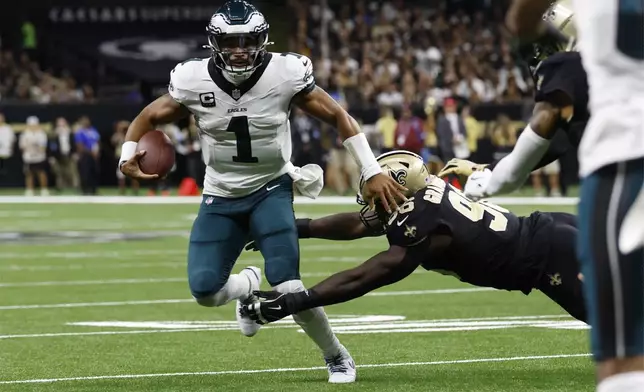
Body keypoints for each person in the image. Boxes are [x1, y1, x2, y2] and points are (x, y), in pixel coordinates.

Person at [117, 0, 404, 384]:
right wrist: (126, 153)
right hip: (220, 194)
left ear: (262, 40)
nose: (239, 49)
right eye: (231, 41)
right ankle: (249, 285)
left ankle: (336, 355)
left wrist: (371, 170)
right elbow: (149, 116)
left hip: (271, 188)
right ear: (214, 43)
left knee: (288, 283)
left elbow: (339, 115)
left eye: (248, 40)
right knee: (204, 290)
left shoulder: (285, 73)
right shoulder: (192, 79)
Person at [240, 150, 587, 327]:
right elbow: (359, 224)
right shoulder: (425, 194)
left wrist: (293, 303)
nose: (372, 203)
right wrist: (297, 227)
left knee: (615, 325)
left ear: (400, 188)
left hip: (549, 258)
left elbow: (369, 274)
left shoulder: (419, 220)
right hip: (552, 233)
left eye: (377, 196)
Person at [438, 1, 584, 201]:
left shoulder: (572, 65)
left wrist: (486, 181)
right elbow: (554, 142)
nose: (539, 57)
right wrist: (489, 169)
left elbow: (545, 122)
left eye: (545, 46)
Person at [19, 116, 49, 196]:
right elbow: (22, 146)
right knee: (29, 173)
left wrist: (37, 147)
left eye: (34, 125)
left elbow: (43, 146)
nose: (33, 126)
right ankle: (30, 190)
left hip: (39, 157)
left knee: (41, 173)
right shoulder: (25, 134)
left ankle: (44, 189)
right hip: (28, 157)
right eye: (31, 125)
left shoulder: (41, 134)